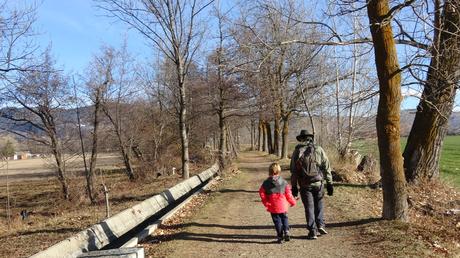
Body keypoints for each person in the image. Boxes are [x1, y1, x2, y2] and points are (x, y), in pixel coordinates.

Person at [290, 129, 333, 239]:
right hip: (318, 183)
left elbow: (293, 171)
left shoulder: (297, 151)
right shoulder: (318, 149)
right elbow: (327, 167)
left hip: (304, 184)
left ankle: (312, 231)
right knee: (319, 204)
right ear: (310, 138)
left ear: (301, 139)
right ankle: (321, 225)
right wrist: (330, 183)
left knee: (309, 208)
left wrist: (294, 187)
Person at [259, 162, 297, 243]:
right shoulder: (283, 182)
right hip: (283, 206)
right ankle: (286, 231)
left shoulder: (266, 183)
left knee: (277, 221)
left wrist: (266, 202)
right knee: (285, 218)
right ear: (279, 171)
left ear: (269, 171)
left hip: (273, 206)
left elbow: (261, 193)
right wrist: (293, 202)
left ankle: (280, 237)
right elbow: (288, 194)